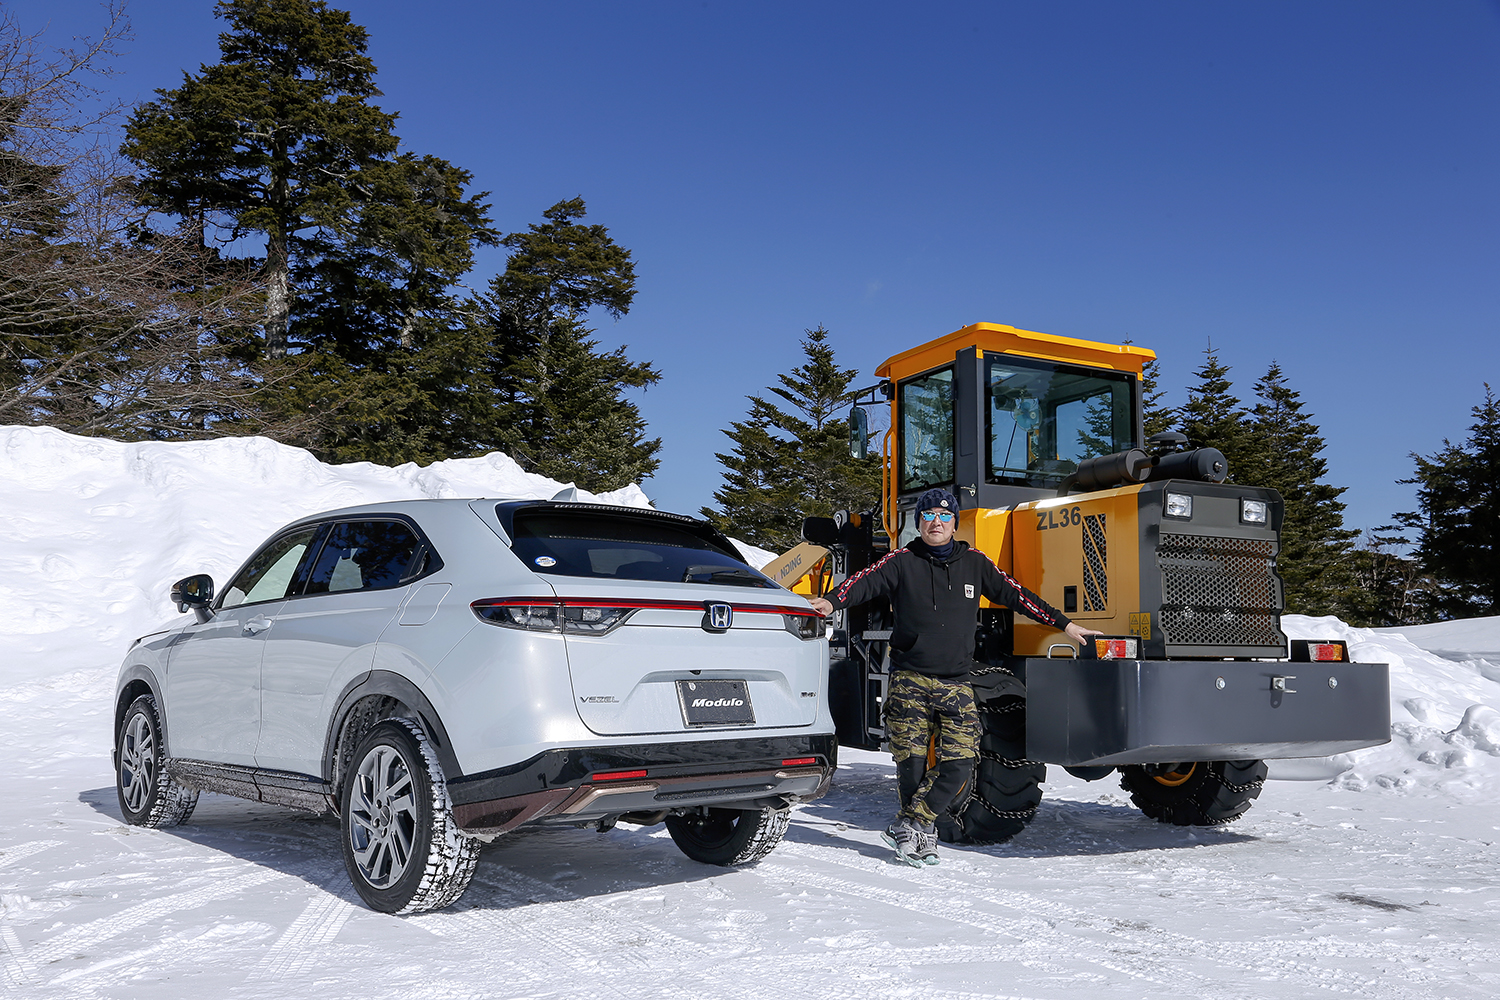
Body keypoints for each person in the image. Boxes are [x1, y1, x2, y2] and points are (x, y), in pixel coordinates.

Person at [809, 488, 1100, 867]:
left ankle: (912, 821)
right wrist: (831, 601)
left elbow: (1017, 595)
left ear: (954, 523)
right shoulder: (901, 560)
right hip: (910, 679)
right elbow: (863, 582)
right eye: (929, 515)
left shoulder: (975, 563)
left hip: (956, 681)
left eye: (944, 516)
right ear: (920, 523)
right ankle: (921, 836)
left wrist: (1064, 624)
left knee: (960, 762)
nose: (936, 522)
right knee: (911, 762)